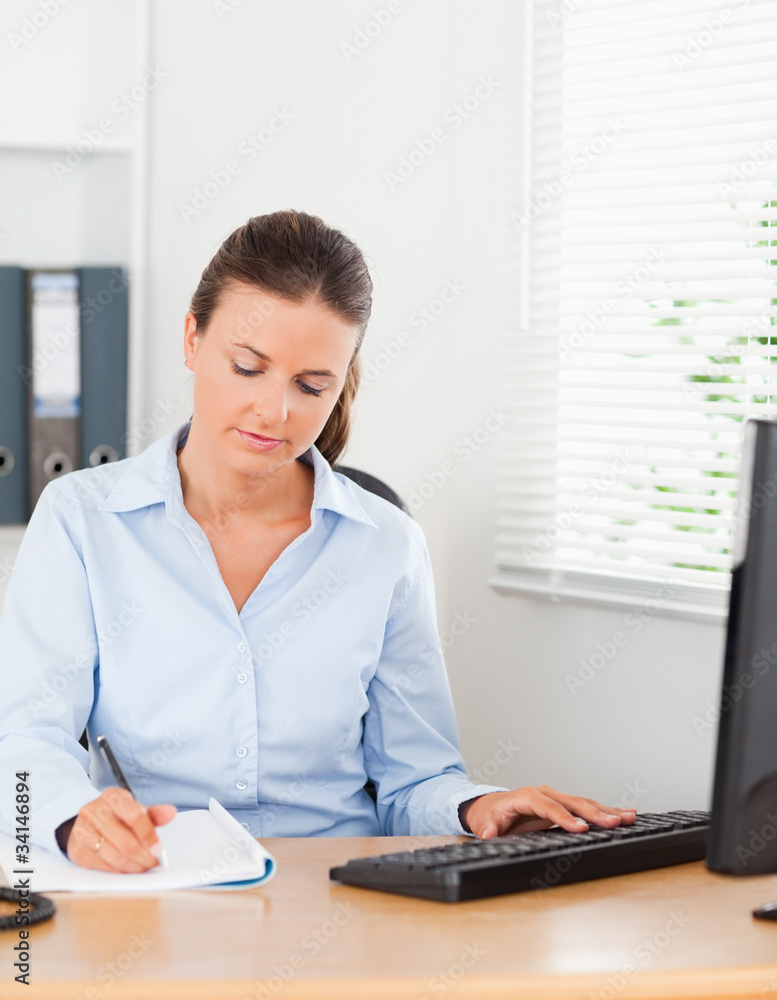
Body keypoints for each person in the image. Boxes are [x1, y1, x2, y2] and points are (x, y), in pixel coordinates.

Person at [0, 210, 635, 873]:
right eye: (247, 367)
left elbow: (414, 780)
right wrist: (73, 817)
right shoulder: (81, 519)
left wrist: (476, 808)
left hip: (339, 893)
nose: (274, 412)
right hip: (151, 884)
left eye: (311, 386)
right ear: (192, 338)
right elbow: (25, 743)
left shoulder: (384, 544)